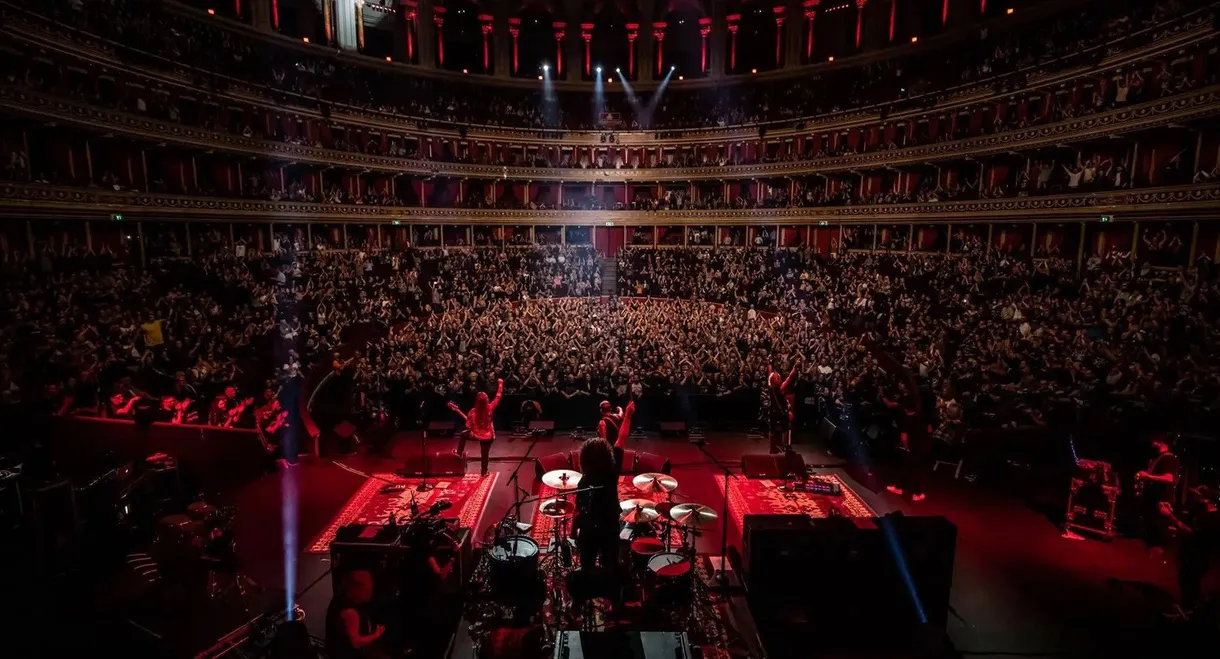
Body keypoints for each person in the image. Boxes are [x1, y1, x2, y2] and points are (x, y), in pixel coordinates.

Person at [325, 570, 389, 659]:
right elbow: (355, 642)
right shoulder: (350, 612)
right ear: (357, 589)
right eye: (368, 589)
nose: (370, 592)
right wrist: (377, 634)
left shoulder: (343, 601)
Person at [1135, 435, 1180, 559]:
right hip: (1155, 498)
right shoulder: (1160, 458)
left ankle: (1156, 557)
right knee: (1151, 527)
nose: (1152, 443)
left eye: (1155, 440)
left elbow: (1169, 478)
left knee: (1157, 529)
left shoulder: (1168, 458)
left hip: (1160, 499)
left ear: (1161, 442)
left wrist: (1147, 476)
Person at [448, 379, 503, 476]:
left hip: (476, 435)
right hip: (488, 436)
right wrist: (500, 384)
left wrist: (457, 411)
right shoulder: (490, 408)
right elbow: (498, 396)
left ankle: (459, 452)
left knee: (463, 434)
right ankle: (484, 472)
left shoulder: (473, 412)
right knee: (484, 454)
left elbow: (469, 424)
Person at [762, 360, 800, 454]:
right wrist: (795, 368)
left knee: (772, 430)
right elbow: (789, 378)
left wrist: (770, 364)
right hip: (782, 411)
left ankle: (772, 448)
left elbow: (769, 374)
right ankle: (786, 446)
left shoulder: (769, 387)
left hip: (773, 411)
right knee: (785, 429)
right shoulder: (781, 387)